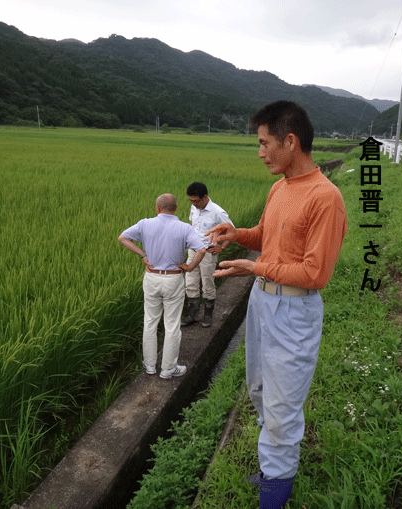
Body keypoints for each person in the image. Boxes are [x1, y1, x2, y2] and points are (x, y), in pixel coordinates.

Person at [206, 101, 348, 508]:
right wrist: (238, 234)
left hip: (294, 311)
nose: (260, 152)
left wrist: (256, 269)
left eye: (265, 143)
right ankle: (275, 468)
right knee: (259, 389)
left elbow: (315, 274)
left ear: (291, 140)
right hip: (262, 305)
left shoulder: (326, 197)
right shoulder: (279, 187)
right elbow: (268, 236)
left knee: (283, 408)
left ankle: (274, 491)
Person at [118, 194, 206, 379]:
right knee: (172, 325)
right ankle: (168, 369)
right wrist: (190, 267)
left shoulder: (145, 224)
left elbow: (123, 238)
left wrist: (142, 255)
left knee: (150, 322)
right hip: (173, 279)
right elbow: (202, 249)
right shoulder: (184, 228)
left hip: (152, 277)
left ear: (157, 208)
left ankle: (149, 366)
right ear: (176, 208)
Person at [181, 182, 233, 328]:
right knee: (190, 282)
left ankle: (207, 316)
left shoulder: (218, 212)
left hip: (208, 253)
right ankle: (192, 315)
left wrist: (222, 248)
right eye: (191, 201)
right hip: (193, 251)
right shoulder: (194, 208)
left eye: (196, 201)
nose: (194, 204)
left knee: (208, 283)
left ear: (205, 197)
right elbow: (192, 225)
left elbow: (231, 231)